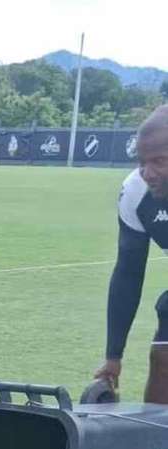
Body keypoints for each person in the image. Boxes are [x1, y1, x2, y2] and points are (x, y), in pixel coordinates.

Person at [94, 105, 168, 402]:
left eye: (160, 161)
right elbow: (128, 271)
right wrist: (114, 356)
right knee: (163, 357)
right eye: (141, 162)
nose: (148, 173)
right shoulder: (136, 192)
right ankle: (157, 445)